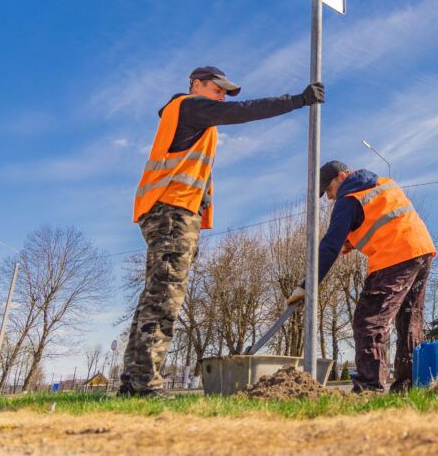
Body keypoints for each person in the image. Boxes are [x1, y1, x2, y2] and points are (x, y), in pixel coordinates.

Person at [119, 66, 325, 398]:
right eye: (217, 89)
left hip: (168, 211)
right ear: (196, 84)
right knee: (164, 301)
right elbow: (242, 111)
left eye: (224, 93)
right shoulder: (189, 106)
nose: (221, 96)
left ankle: (134, 381)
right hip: (172, 210)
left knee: (154, 298)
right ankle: (145, 384)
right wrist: (297, 100)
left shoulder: (189, 115)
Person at [287, 160, 436, 393]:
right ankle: (407, 387)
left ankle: (369, 389)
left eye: (328, 189)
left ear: (342, 176)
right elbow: (384, 220)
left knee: (369, 321)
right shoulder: (382, 183)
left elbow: (328, 247)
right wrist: (351, 241)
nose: (329, 197)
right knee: (410, 320)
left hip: (394, 257)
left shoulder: (348, 199)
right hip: (421, 250)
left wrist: (307, 285)